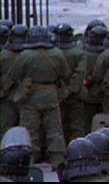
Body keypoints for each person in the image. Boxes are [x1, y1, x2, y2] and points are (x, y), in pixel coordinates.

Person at [7, 26, 71, 166]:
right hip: (52, 95)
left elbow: (13, 75)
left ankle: (30, 161)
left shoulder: (26, 55)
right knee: (55, 129)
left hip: (31, 96)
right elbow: (66, 74)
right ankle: (58, 161)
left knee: (30, 131)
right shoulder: (57, 53)